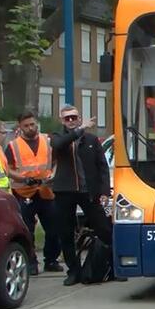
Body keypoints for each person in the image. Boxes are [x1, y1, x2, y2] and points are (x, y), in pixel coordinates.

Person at [50, 105, 112, 286]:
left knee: (104, 229)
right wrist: (80, 130)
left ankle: (112, 267)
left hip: (88, 192)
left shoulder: (92, 140)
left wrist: (104, 191)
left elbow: (102, 167)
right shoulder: (57, 137)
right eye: (67, 118)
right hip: (64, 191)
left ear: (79, 117)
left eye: (74, 117)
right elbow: (58, 145)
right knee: (66, 233)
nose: (71, 121)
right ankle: (73, 271)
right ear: (62, 121)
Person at [5, 111, 62, 275]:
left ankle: (51, 260)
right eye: (26, 126)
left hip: (46, 190)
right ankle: (31, 263)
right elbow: (7, 168)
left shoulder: (48, 141)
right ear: (20, 127)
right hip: (24, 192)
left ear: (36, 123)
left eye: (32, 124)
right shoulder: (13, 146)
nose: (30, 128)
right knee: (27, 230)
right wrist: (22, 178)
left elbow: (56, 162)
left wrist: (53, 174)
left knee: (53, 228)